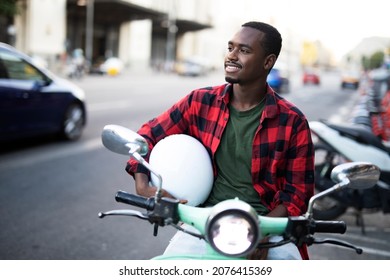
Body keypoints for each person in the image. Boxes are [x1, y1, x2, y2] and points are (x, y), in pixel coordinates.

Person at [125, 21, 314, 259]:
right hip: (205, 221)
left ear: (268, 62)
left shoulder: (293, 121)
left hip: (268, 226)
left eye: (244, 50)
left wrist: (262, 230)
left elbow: (297, 193)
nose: (232, 56)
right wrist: (142, 182)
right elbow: (146, 135)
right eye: (230, 48)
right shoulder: (200, 101)